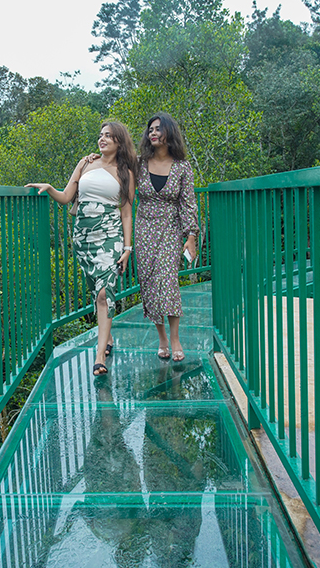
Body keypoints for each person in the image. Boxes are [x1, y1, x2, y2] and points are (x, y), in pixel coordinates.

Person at [25, 121, 136, 376]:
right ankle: (107, 339)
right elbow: (66, 197)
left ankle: (99, 356)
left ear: (119, 141)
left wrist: (128, 248)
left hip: (110, 235)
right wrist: (50, 188)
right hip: (83, 236)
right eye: (101, 135)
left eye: (109, 136)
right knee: (95, 289)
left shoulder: (126, 173)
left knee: (104, 292)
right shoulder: (85, 163)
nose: (102, 139)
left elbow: (127, 213)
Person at [135, 113, 199, 362]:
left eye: (158, 129)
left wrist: (190, 236)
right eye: (150, 129)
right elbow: (114, 163)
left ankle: (175, 339)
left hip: (170, 229)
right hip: (144, 230)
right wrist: (93, 158)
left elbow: (188, 203)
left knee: (168, 282)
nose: (152, 133)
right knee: (149, 283)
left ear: (169, 133)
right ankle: (161, 337)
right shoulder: (139, 163)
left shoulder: (182, 166)